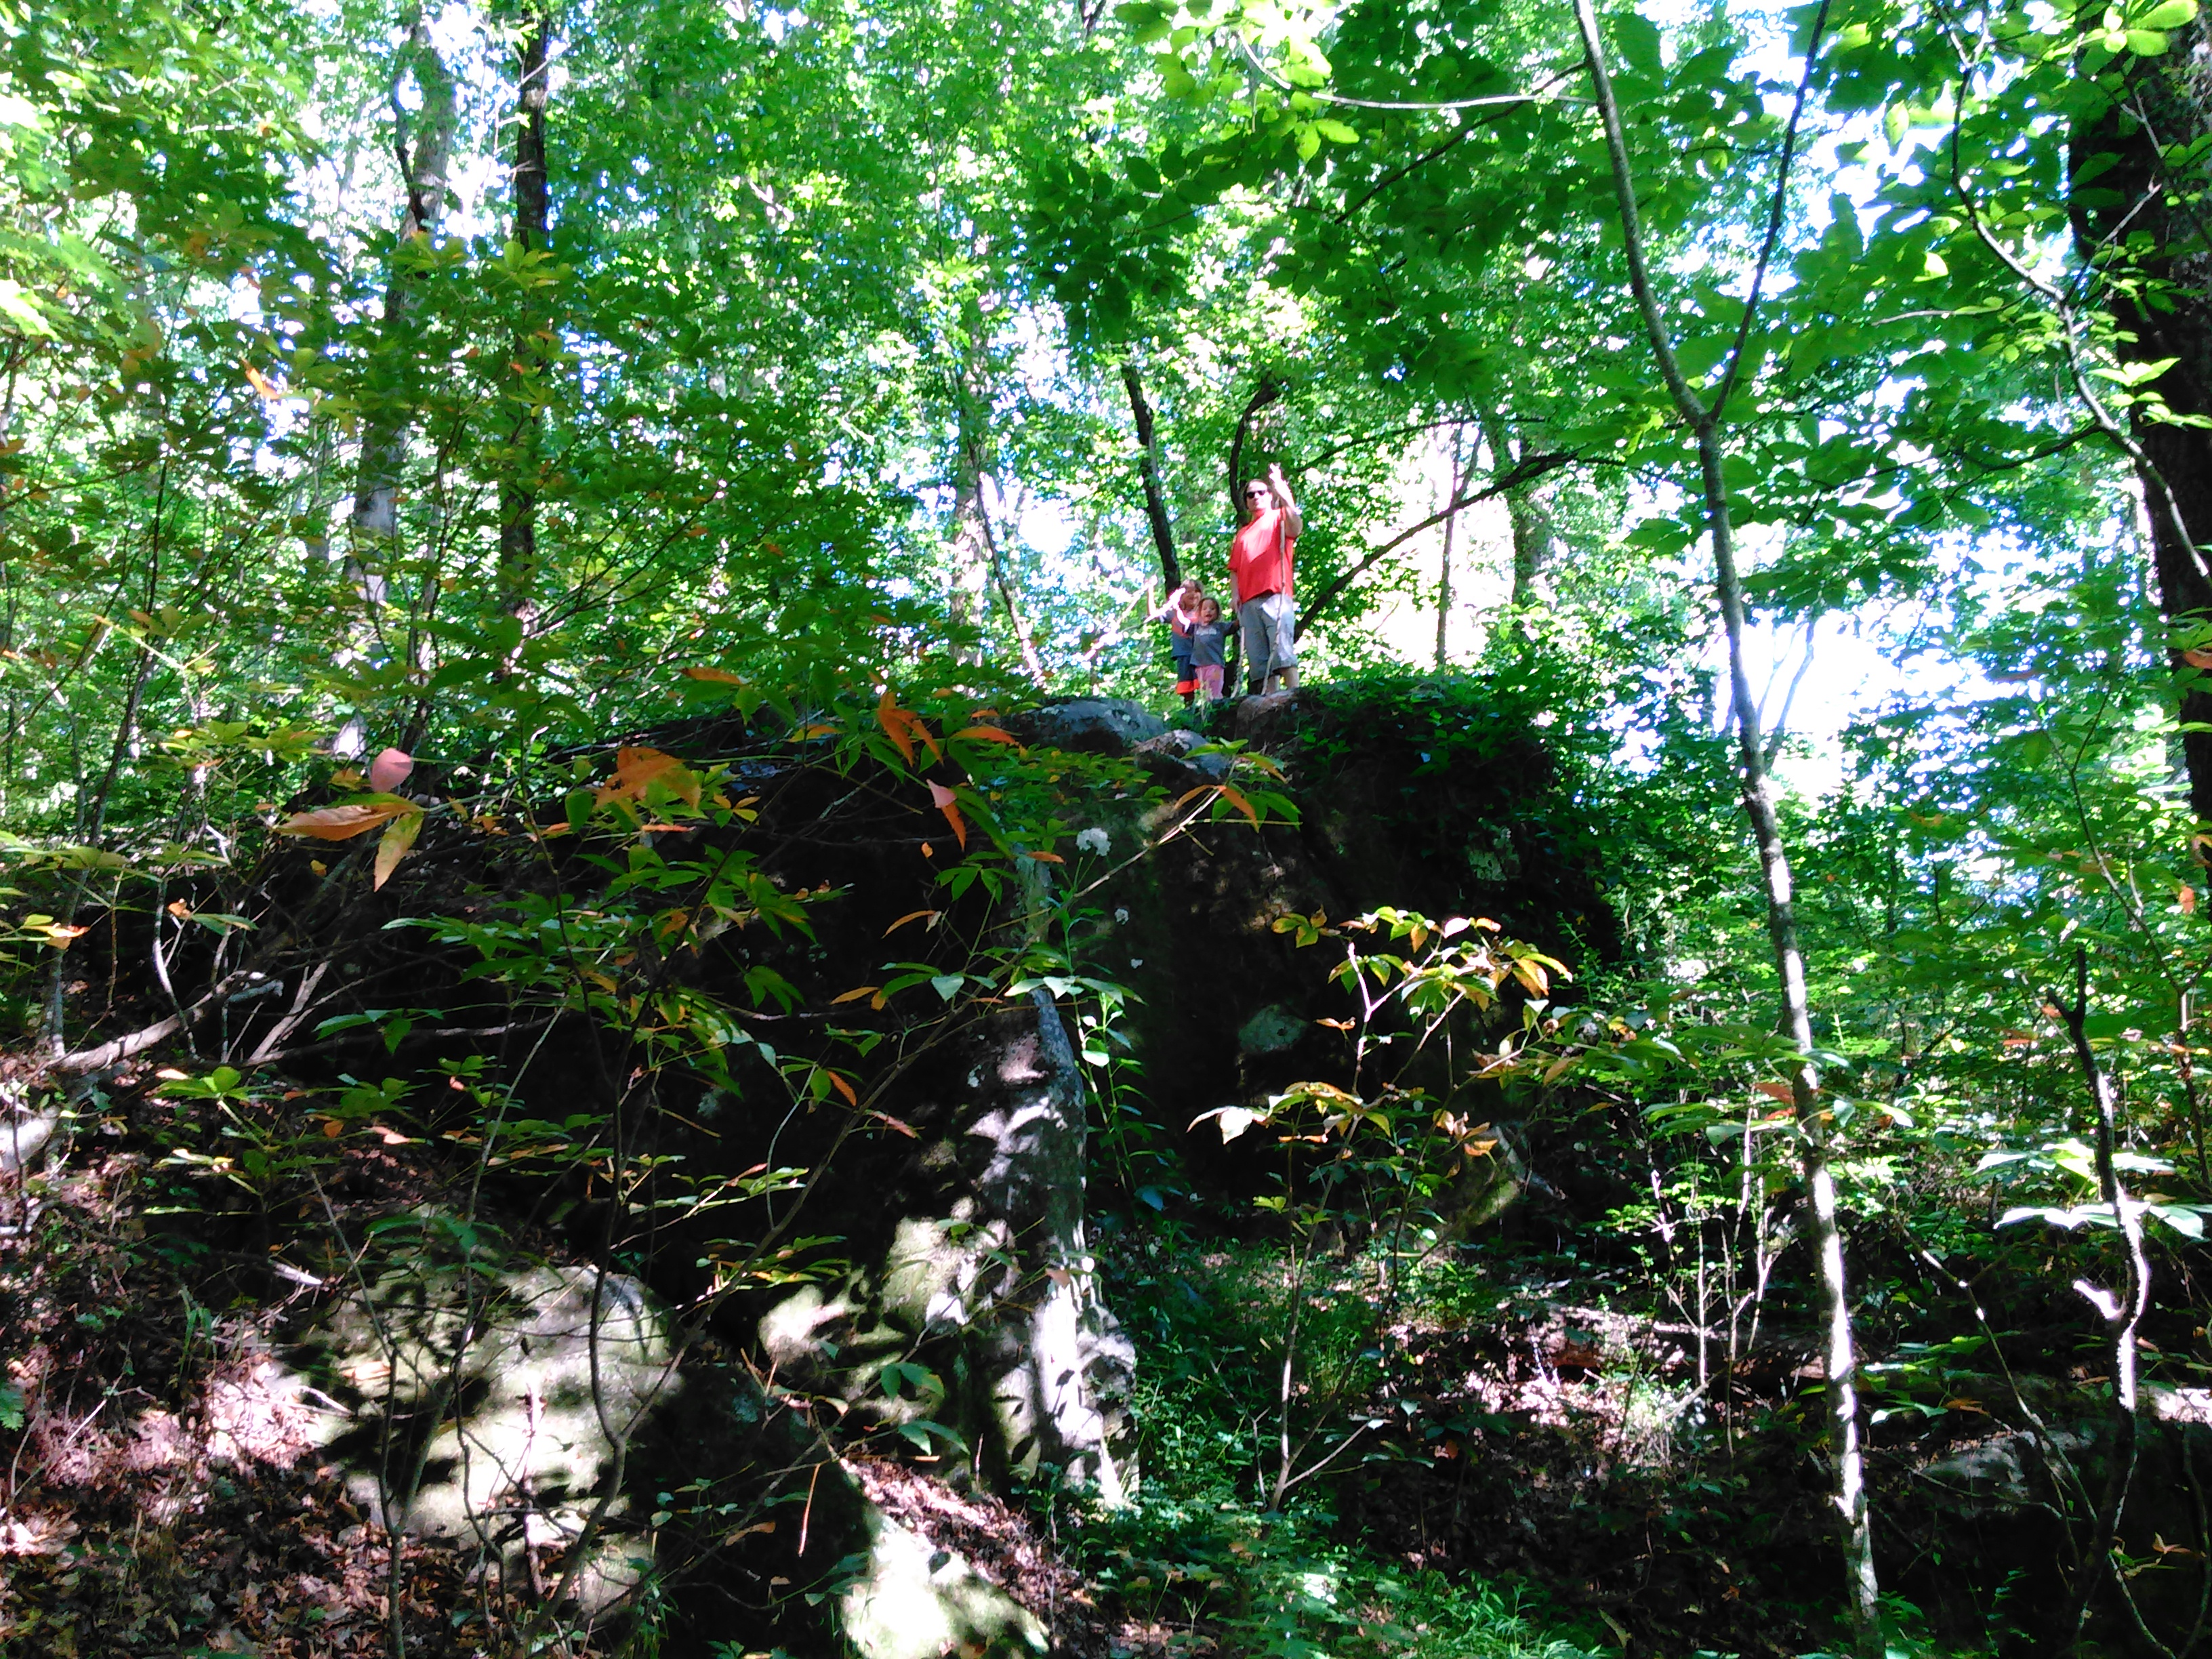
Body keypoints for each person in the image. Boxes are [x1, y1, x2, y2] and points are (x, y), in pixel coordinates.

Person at [1229, 462, 1302, 695]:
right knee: (1260, 663)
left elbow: (1297, 528)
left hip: (1275, 595)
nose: (1256, 497)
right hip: (1249, 602)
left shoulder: (1280, 517)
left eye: (1261, 492)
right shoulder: (1242, 534)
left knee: (1282, 652)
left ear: (1269, 495)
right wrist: (1234, 597)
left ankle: (1296, 699)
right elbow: (1235, 569)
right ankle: (1271, 706)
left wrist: (1285, 495)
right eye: (1251, 494)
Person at [1149, 577, 1203, 706]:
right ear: (1181, 596)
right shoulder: (1175, 614)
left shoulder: (1205, 612)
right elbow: (1154, 615)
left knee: (1204, 685)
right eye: (1188, 591)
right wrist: (1150, 590)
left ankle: (1208, 711)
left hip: (1202, 656)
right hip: (1183, 655)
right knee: (1186, 687)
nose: (1193, 594)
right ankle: (1189, 712)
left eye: (1196, 591)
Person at [1188, 595, 1229, 703]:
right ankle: (1206, 712)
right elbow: (1183, 625)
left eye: (1212, 608)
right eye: (1204, 609)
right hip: (1199, 666)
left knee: (1215, 690)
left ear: (1217, 612)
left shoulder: (1220, 627)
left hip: (1215, 665)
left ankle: (1217, 709)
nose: (1208, 611)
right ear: (1200, 612)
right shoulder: (1195, 627)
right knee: (1205, 693)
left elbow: (1236, 625)